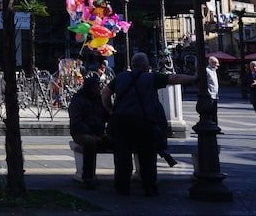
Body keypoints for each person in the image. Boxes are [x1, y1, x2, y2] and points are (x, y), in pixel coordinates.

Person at [102, 52, 196, 197]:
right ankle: (149, 186)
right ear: (146, 66)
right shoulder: (151, 78)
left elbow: (106, 93)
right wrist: (195, 77)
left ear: (132, 65)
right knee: (147, 155)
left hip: (121, 121)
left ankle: (122, 187)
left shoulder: (120, 77)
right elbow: (175, 78)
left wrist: (110, 110)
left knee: (122, 156)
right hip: (143, 121)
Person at [68, 75, 113, 189]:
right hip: (81, 133)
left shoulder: (99, 99)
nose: (98, 89)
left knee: (117, 141)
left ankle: (122, 175)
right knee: (90, 142)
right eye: (96, 87)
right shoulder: (78, 100)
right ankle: (88, 176)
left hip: (98, 132)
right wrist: (92, 134)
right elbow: (77, 122)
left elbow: (108, 116)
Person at [206, 55, 220, 126]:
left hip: (215, 94)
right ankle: (211, 125)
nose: (218, 65)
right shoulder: (207, 71)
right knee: (210, 112)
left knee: (215, 112)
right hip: (210, 94)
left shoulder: (214, 71)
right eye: (216, 63)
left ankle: (215, 125)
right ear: (212, 63)